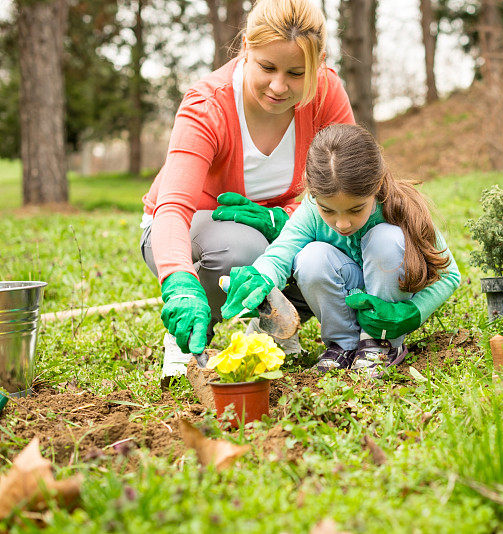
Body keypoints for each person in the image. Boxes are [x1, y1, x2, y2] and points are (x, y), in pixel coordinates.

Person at [138, 0, 354, 384]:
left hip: (283, 227)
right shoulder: (208, 105)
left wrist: (282, 219)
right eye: (267, 67)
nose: (279, 86)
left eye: (296, 73)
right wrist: (177, 281)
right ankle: (185, 334)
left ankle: (272, 327)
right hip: (190, 231)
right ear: (246, 51)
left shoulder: (325, 94)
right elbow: (171, 208)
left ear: (318, 65)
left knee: (340, 234)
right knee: (240, 251)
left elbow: (349, 185)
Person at [220, 123, 461, 377]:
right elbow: (281, 251)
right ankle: (342, 346)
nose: (342, 223)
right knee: (311, 257)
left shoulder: (401, 207)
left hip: (387, 309)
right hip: (345, 295)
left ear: (377, 185)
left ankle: (380, 344)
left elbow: (451, 275)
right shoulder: (311, 210)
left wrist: (413, 313)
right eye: (328, 210)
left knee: (385, 239)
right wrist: (260, 275)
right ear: (312, 192)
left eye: (356, 209)